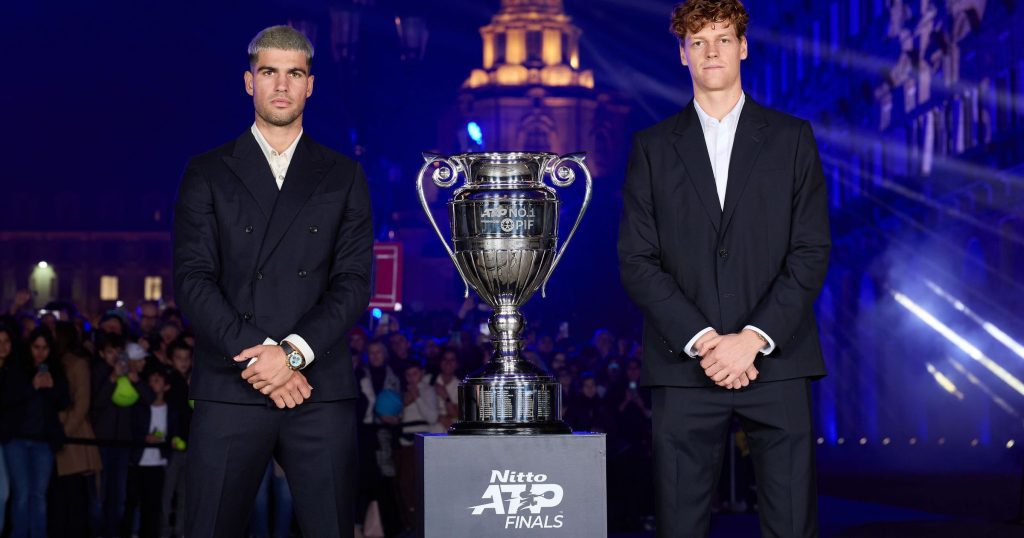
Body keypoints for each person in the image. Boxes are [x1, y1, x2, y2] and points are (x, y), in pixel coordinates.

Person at [616, 1, 831, 536]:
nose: (712, 51)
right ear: (682, 54)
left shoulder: (792, 138)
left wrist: (753, 338)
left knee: (791, 526)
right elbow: (636, 259)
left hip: (777, 360)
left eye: (723, 38)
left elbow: (811, 250)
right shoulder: (651, 147)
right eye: (698, 41)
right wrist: (706, 340)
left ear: (743, 46)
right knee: (680, 526)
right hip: (685, 363)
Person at [173, 24, 373, 537]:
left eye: (294, 74)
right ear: (248, 82)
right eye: (269, 73)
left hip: (318, 386)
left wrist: (290, 355)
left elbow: (352, 283)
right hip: (229, 382)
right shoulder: (208, 171)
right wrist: (262, 354)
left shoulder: (343, 174)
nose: (281, 85)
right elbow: (193, 280)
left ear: (310, 85)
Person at [0, 327, 71, 538]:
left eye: (45, 348)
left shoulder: (55, 371)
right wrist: (32, 386)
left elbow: (64, 402)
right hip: (17, 440)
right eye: (36, 347)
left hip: (43, 442)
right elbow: (6, 400)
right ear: (28, 347)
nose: (40, 353)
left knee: (38, 495)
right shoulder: (16, 369)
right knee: (21, 494)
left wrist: (51, 388)